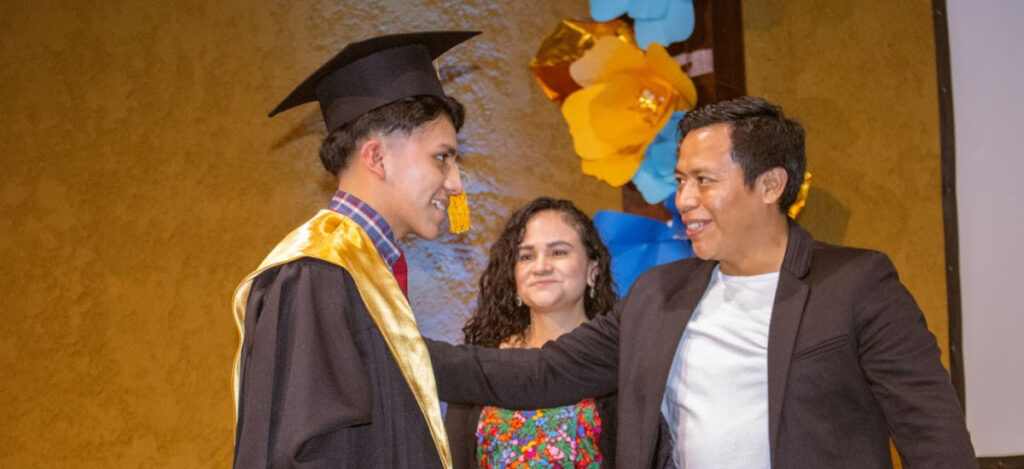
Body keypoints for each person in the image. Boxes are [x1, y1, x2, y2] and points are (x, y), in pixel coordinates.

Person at [427, 97, 977, 468]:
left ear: (769, 184)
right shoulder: (661, 295)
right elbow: (542, 372)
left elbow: (934, 438)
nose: (684, 200)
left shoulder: (855, 284)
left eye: (704, 181)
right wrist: (394, 344)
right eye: (681, 180)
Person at [231, 31, 479, 469]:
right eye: (442, 157)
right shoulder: (318, 273)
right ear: (377, 158)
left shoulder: (359, 270)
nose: (457, 183)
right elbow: (312, 454)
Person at [445, 197, 618, 468]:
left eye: (558, 252)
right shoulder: (482, 364)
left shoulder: (615, 359)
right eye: (526, 256)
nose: (540, 266)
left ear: (592, 272)